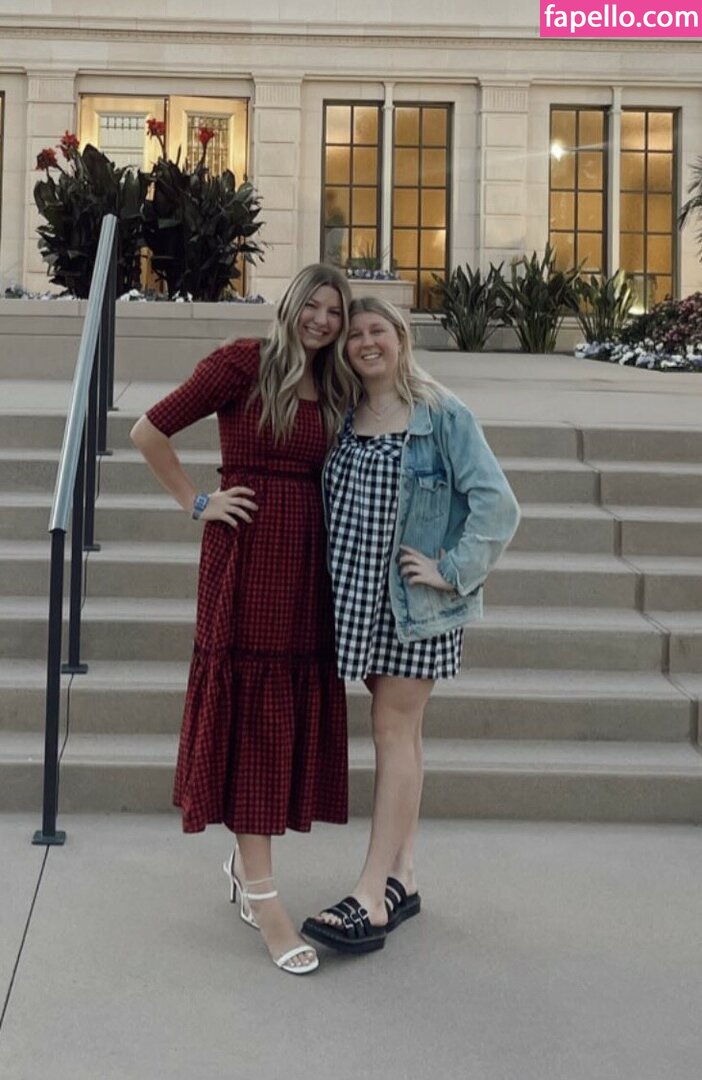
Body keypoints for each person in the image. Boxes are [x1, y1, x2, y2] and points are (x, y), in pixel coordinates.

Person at [130, 264, 354, 975]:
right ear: (290, 305)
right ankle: (264, 897)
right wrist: (197, 502)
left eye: (334, 311)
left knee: (280, 715)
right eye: (313, 305)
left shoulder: (335, 382)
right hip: (248, 557)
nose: (321, 320)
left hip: (308, 566)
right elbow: (148, 429)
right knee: (254, 714)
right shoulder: (242, 364)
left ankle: (246, 865)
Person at [302, 296, 520, 954]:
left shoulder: (442, 413)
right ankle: (404, 876)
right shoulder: (345, 413)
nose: (367, 342)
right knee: (406, 736)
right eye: (355, 334)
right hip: (356, 603)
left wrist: (451, 571)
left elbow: (499, 504)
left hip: (412, 608)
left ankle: (370, 896)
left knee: (392, 732)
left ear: (401, 338)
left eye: (379, 331)